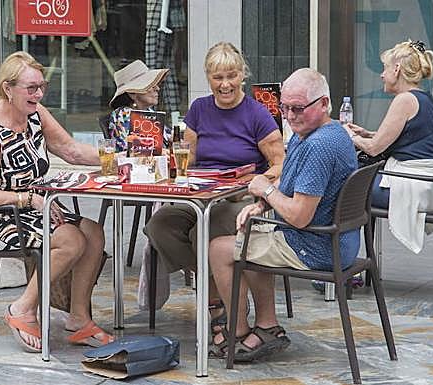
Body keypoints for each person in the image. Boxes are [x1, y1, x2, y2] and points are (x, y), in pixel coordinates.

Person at [208, 68, 358, 361]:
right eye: (284, 107)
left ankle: (236, 334)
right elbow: (291, 185)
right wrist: (262, 205)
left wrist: (264, 190)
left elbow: (299, 216)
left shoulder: (317, 146)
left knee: (218, 249)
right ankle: (267, 326)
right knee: (250, 234)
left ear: (324, 103)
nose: (289, 116)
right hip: (341, 241)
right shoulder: (331, 131)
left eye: (298, 108)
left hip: (316, 245)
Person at [0, 51, 113, 353]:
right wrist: (28, 199)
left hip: (35, 208)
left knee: (94, 232)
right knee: (72, 240)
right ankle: (22, 308)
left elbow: (70, 150)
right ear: (8, 89)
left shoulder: (35, 114)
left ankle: (78, 318)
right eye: (31, 88)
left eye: (41, 86)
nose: (39, 94)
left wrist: (116, 158)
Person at [143, 41, 285, 334]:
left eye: (231, 76)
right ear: (208, 77)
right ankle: (215, 289)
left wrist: (254, 185)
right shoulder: (199, 109)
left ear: (242, 75)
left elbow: (280, 164)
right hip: (200, 194)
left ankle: (219, 305)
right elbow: (187, 156)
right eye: (217, 77)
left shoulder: (257, 113)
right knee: (159, 224)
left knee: (201, 231)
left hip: (239, 198)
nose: (225, 84)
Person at [344, 40, 433, 254]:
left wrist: (348, 135)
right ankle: (357, 260)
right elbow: (410, 138)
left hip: (413, 187)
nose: (382, 75)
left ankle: (340, 260)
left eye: (385, 68)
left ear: (397, 69)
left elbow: (373, 149)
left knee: (345, 188)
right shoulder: (424, 98)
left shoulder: (404, 100)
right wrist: (368, 134)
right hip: (431, 187)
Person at [108, 60, 170, 152]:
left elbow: (170, 138)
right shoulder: (123, 115)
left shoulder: (150, 112)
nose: (157, 88)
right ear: (132, 93)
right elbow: (134, 151)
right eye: (150, 85)